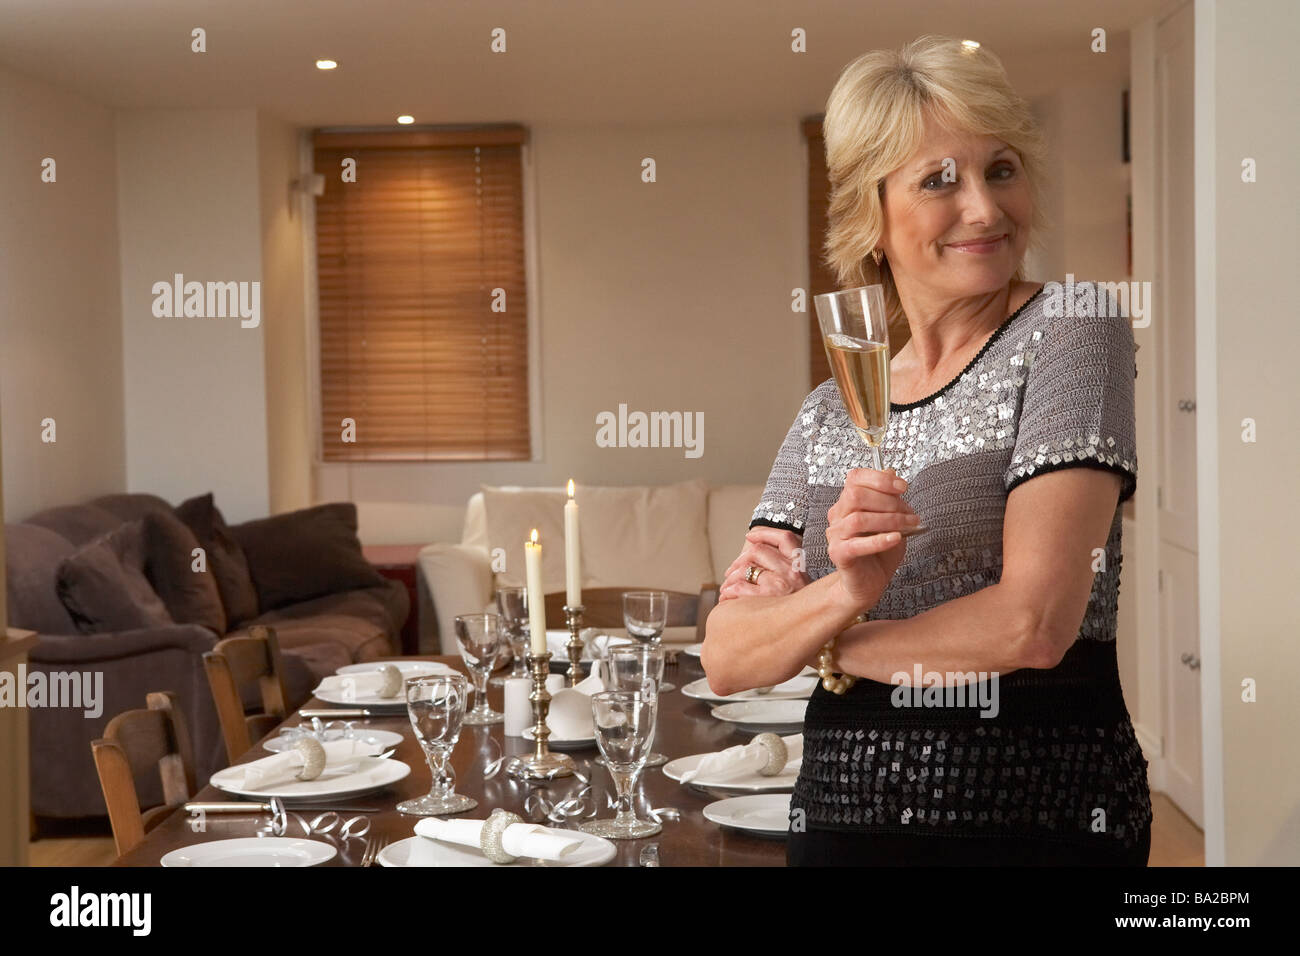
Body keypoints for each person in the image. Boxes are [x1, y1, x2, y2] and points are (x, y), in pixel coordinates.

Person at [702, 35, 1152, 866]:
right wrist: (846, 595)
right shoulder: (829, 411)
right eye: (939, 180)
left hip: (1032, 814)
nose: (984, 208)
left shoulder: (1072, 328)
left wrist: (828, 646)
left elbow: (1034, 624)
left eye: (1002, 168)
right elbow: (730, 656)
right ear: (870, 217)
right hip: (840, 819)